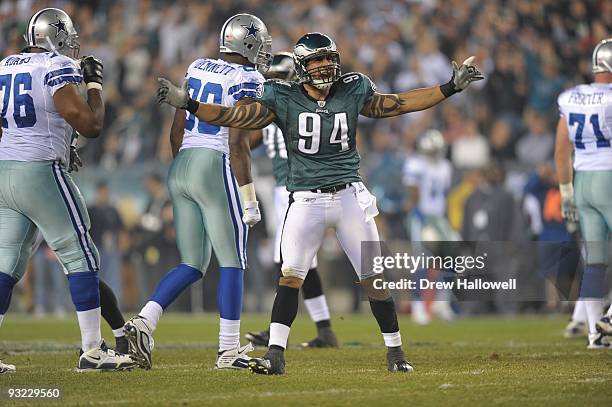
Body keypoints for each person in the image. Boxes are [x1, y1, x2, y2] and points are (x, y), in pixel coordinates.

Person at [157, 32, 483, 374]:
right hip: (306, 200)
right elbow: (235, 118)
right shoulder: (281, 96)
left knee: (374, 278)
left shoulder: (353, 88)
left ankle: (396, 352)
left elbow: (400, 103)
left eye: (328, 58)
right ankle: (275, 356)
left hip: (349, 196)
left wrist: (450, 87)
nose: (325, 65)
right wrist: (189, 104)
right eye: (316, 60)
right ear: (301, 67)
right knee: (290, 276)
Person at [124, 14, 272, 370]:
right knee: (233, 260)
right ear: (249, 44)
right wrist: (248, 196)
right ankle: (228, 350)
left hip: (182, 164)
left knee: (192, 263)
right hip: (214, 162)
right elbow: (238, 140)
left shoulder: (199, 67)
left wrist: (183, 173)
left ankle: (145, 320)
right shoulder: (247, 77)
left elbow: (177, 128)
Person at [0, 7, 135, 372]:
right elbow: (90, 124)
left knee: (5, 263)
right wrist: (94, 86)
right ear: (56, 38)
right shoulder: (54, 66)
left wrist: (58, 142)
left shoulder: (6, 65)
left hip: (5, 172)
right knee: (82, 255)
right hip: (40, 172)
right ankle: (93, 349)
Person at [245, 52, 338, 348]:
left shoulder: (298, 106)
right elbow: (251, 139)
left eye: (279, 80)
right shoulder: (275, 108)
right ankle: (324, 330)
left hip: (295, 189)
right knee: (300, 263)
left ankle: (280, 332)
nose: (274, 86)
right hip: (284, 190)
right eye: (271, 81)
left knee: (286, 263)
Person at [555, 37, 612, 349]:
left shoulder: (571, 97)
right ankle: (610, 319)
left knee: (595, 262)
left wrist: (567, 193)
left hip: (582, 182)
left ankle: (595, 335)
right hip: (608, 178)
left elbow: (561, 151)